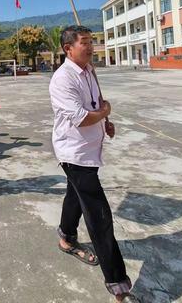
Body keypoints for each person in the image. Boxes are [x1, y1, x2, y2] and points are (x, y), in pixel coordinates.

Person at [49, 25, 138, 303]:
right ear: (68, 49)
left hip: (90, 149)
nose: (91, 47)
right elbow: (82, 117)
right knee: (99, 215)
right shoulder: (62, 79)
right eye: (85, 42)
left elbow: (95, 105)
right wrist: (104, 112)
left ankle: (65, 235)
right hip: (74, 153)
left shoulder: (89, 71)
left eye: (92, 42)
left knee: (74, 195)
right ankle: (117, 282)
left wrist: (106, 121)